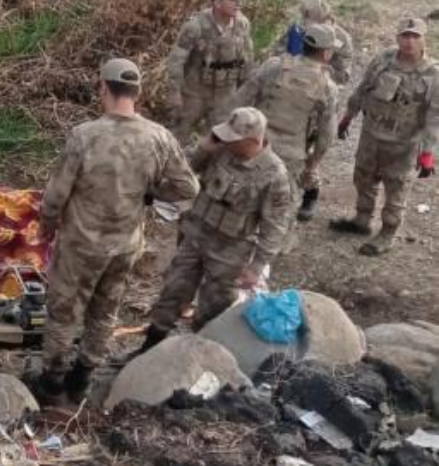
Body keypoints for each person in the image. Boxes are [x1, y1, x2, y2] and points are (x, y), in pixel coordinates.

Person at [35, 59, 199, 404]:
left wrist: (46, 228)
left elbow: (57, 194)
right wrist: (150, 192)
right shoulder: (159, 137)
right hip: (124, 245)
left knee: (64, 312)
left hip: (81, 244)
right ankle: (83, 379)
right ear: (137, 92)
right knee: (105, 312)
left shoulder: (85, 135)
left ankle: (52, 382)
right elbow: (188, 187)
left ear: (103, 88)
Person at [139, 108, 292, 352]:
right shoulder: (219, 150)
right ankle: (151, 344)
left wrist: (257, 266)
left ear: (253, 140)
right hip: (195, 235)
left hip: (230, 250)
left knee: (214, 306)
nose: (226, 140)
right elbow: (182, 170)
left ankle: (201, 354)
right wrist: (203, 149)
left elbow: (275, 225)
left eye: (233, 138)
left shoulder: (274, 175)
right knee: (173, 289)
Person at [331, 18, 439, 256]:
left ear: (423, 39)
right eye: (405, 35)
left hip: (404, 144)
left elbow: (434, 116)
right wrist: (348, 116)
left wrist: (428, 153)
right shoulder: (383, 60)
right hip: (371, 135)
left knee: (396, 188)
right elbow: (363, 89)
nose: (409, 41)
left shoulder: (432, 74)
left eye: (415, 36)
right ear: (398, 37)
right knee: (363, 177)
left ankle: (388, 233)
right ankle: (361, 220)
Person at [228, 24, 339, 223]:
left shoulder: (274, 66)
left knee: (240, 198)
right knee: (280, 208)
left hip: (255, 144)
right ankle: (272, 247)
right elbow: (326, 136)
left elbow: (240, 100)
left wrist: (233, 137)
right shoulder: (327, 87)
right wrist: (312, 164)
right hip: (292, 155)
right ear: (327, 53)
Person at [166, 0, 254, 145]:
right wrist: (174, 92)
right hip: (194, 92)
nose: (238, 4)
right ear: (217, 2)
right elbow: (176, 61)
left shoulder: (242, 24)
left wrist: (245, 91)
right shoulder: (195, 26)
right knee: (179, 135)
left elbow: (248, 59)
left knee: (217, 139)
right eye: (232, 0)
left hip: (225, 94)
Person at [270, 0, 354, 86]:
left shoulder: (342, 38)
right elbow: (278, 52)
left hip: (320, 82)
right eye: (306, 20)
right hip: (293, 73)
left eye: (318, 23)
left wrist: (325, 73)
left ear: (327, 19)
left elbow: (343, 75)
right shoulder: (298, 29)